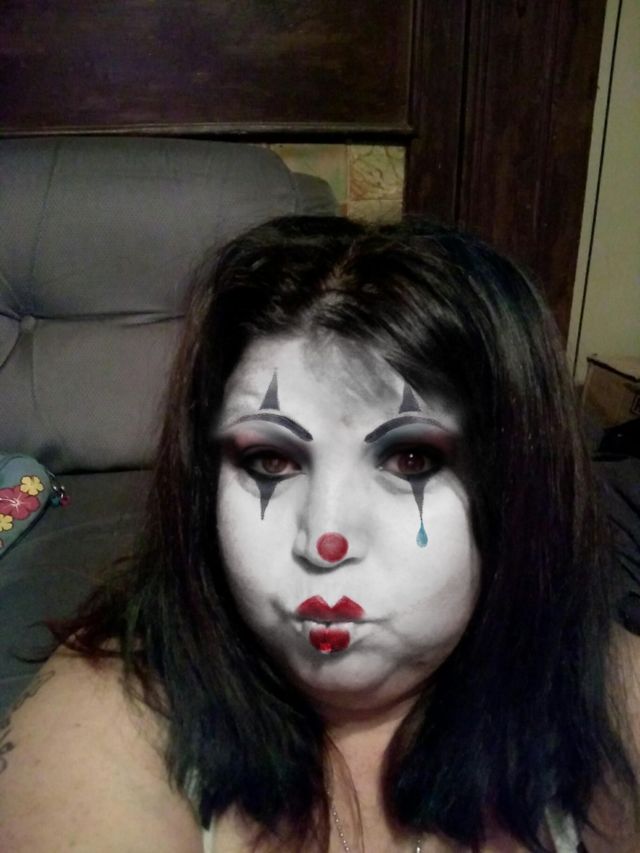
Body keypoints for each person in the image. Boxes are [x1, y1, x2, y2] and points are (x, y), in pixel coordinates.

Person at [1, 216, 639, 852]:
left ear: (518, 487)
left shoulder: (609, 689)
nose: (324, 539)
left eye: (410, 459)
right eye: (270, 461)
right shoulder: (114, 706)